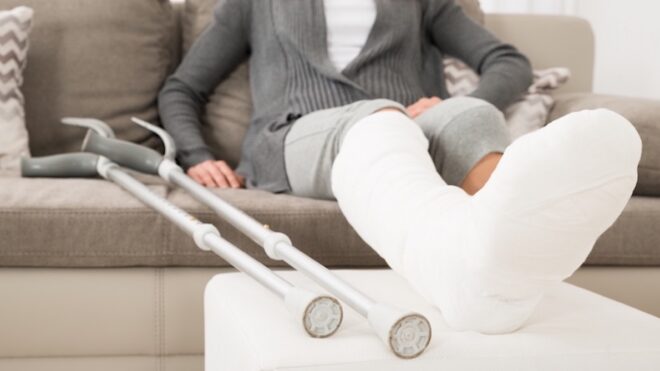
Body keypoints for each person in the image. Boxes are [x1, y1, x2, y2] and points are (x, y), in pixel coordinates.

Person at [159, 0, 642, 333]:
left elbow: (507, 62)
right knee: (381, 117)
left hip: (413, 130)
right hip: (295, 135)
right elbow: (181, 88)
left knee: (467, 116)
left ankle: (504, 262)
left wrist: (453, 103)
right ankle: (470, 277)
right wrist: (197, 156)